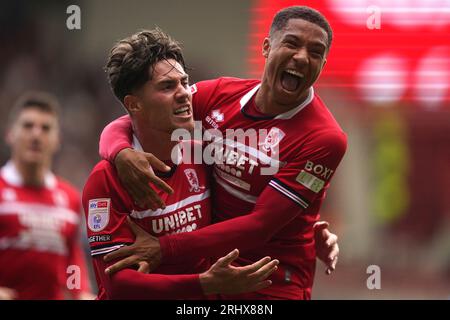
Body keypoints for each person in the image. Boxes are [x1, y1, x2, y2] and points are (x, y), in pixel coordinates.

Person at [99, 6, 346, 299]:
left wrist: (162, 249)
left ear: (323, 63)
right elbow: (142, 115)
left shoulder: (325, 138)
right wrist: (121, 152)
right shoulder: (220, 95)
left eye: (316, 52)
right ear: (267, 47)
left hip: (271, 283)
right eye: (292, 43)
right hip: (208, 272)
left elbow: (260, 226)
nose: (302, 57)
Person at [82, 29, 280, 300]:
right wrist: (204, 284)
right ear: (134, 105)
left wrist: (305, 224)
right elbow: (119, 284)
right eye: (167, 86)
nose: (185, 94)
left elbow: (252, 203)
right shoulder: (106, 179)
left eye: (184, 82)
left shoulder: (204, 156)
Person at [0, 91, 92, 300]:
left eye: (45, 128)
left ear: (57, 139)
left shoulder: (69, 197)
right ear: (10, 134)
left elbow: (71, 257)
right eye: (27, 126)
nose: (36, 135)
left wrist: (80, 293)